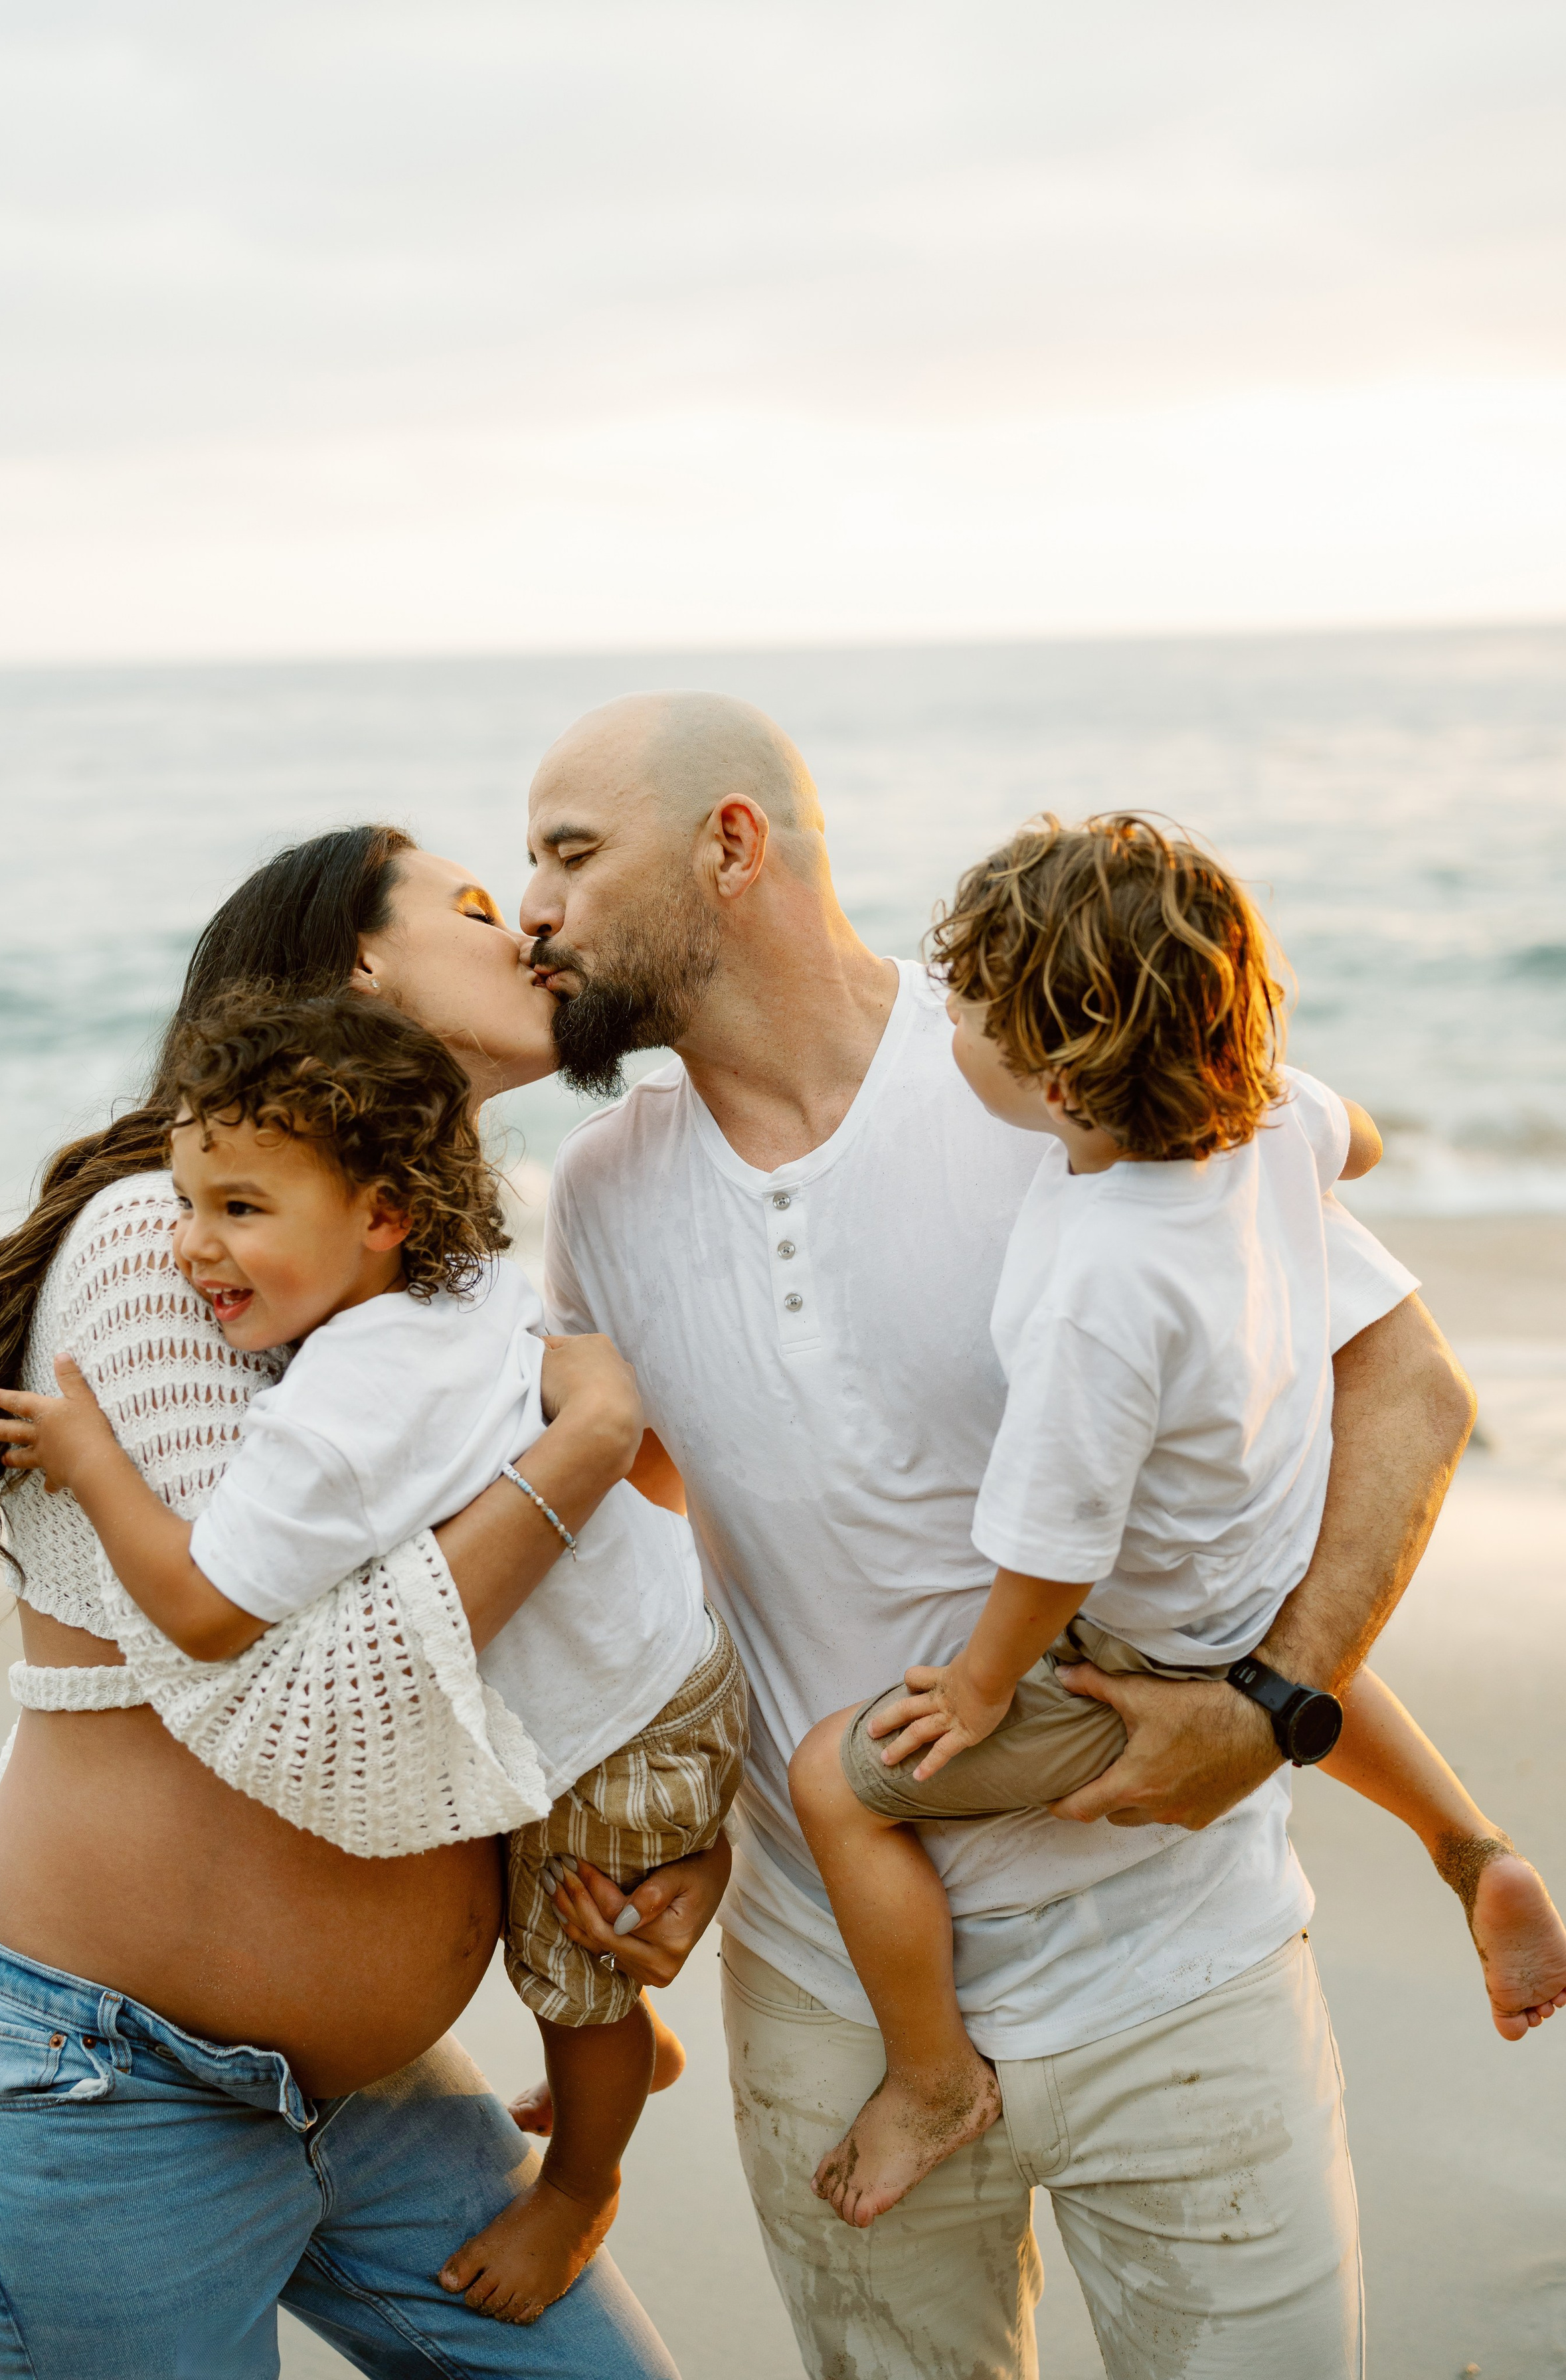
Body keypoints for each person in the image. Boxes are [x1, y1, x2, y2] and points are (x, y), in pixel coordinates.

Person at [523, 690, 1480, 2379]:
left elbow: (1407, 1389)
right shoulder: (597, 1194)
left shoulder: (1055, 1072)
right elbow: (681, 1530)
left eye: (570, 855)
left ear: (729, 845)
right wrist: (677, 1828)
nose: (532, 910)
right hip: (827, 1995)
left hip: (1175, 1969)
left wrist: (1269, 1701)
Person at [0, 823, 728, 2380]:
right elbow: (305, 1699)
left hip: (382, 2094)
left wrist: (640, 1838)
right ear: (360, 961)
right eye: (470, 905)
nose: (524, 925)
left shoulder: (437, 1278)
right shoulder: (171, 1239)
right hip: (112, 2077)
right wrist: (584, 1444)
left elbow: (568, 1615)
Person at [785, 813, 1566, 2233]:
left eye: (968, 1011)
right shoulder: (1272, 1119)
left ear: (1059, 1076)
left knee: (834, 1785)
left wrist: (979, 1685)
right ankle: (1469, 1847)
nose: (944, 1022)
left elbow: (1053, 1549)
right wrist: (1288, 1112)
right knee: (1303, 1659)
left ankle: (930, 2075)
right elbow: (1360, 1136)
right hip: (1264, 1552)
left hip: (1150, 1647)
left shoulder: (1099, 1280)